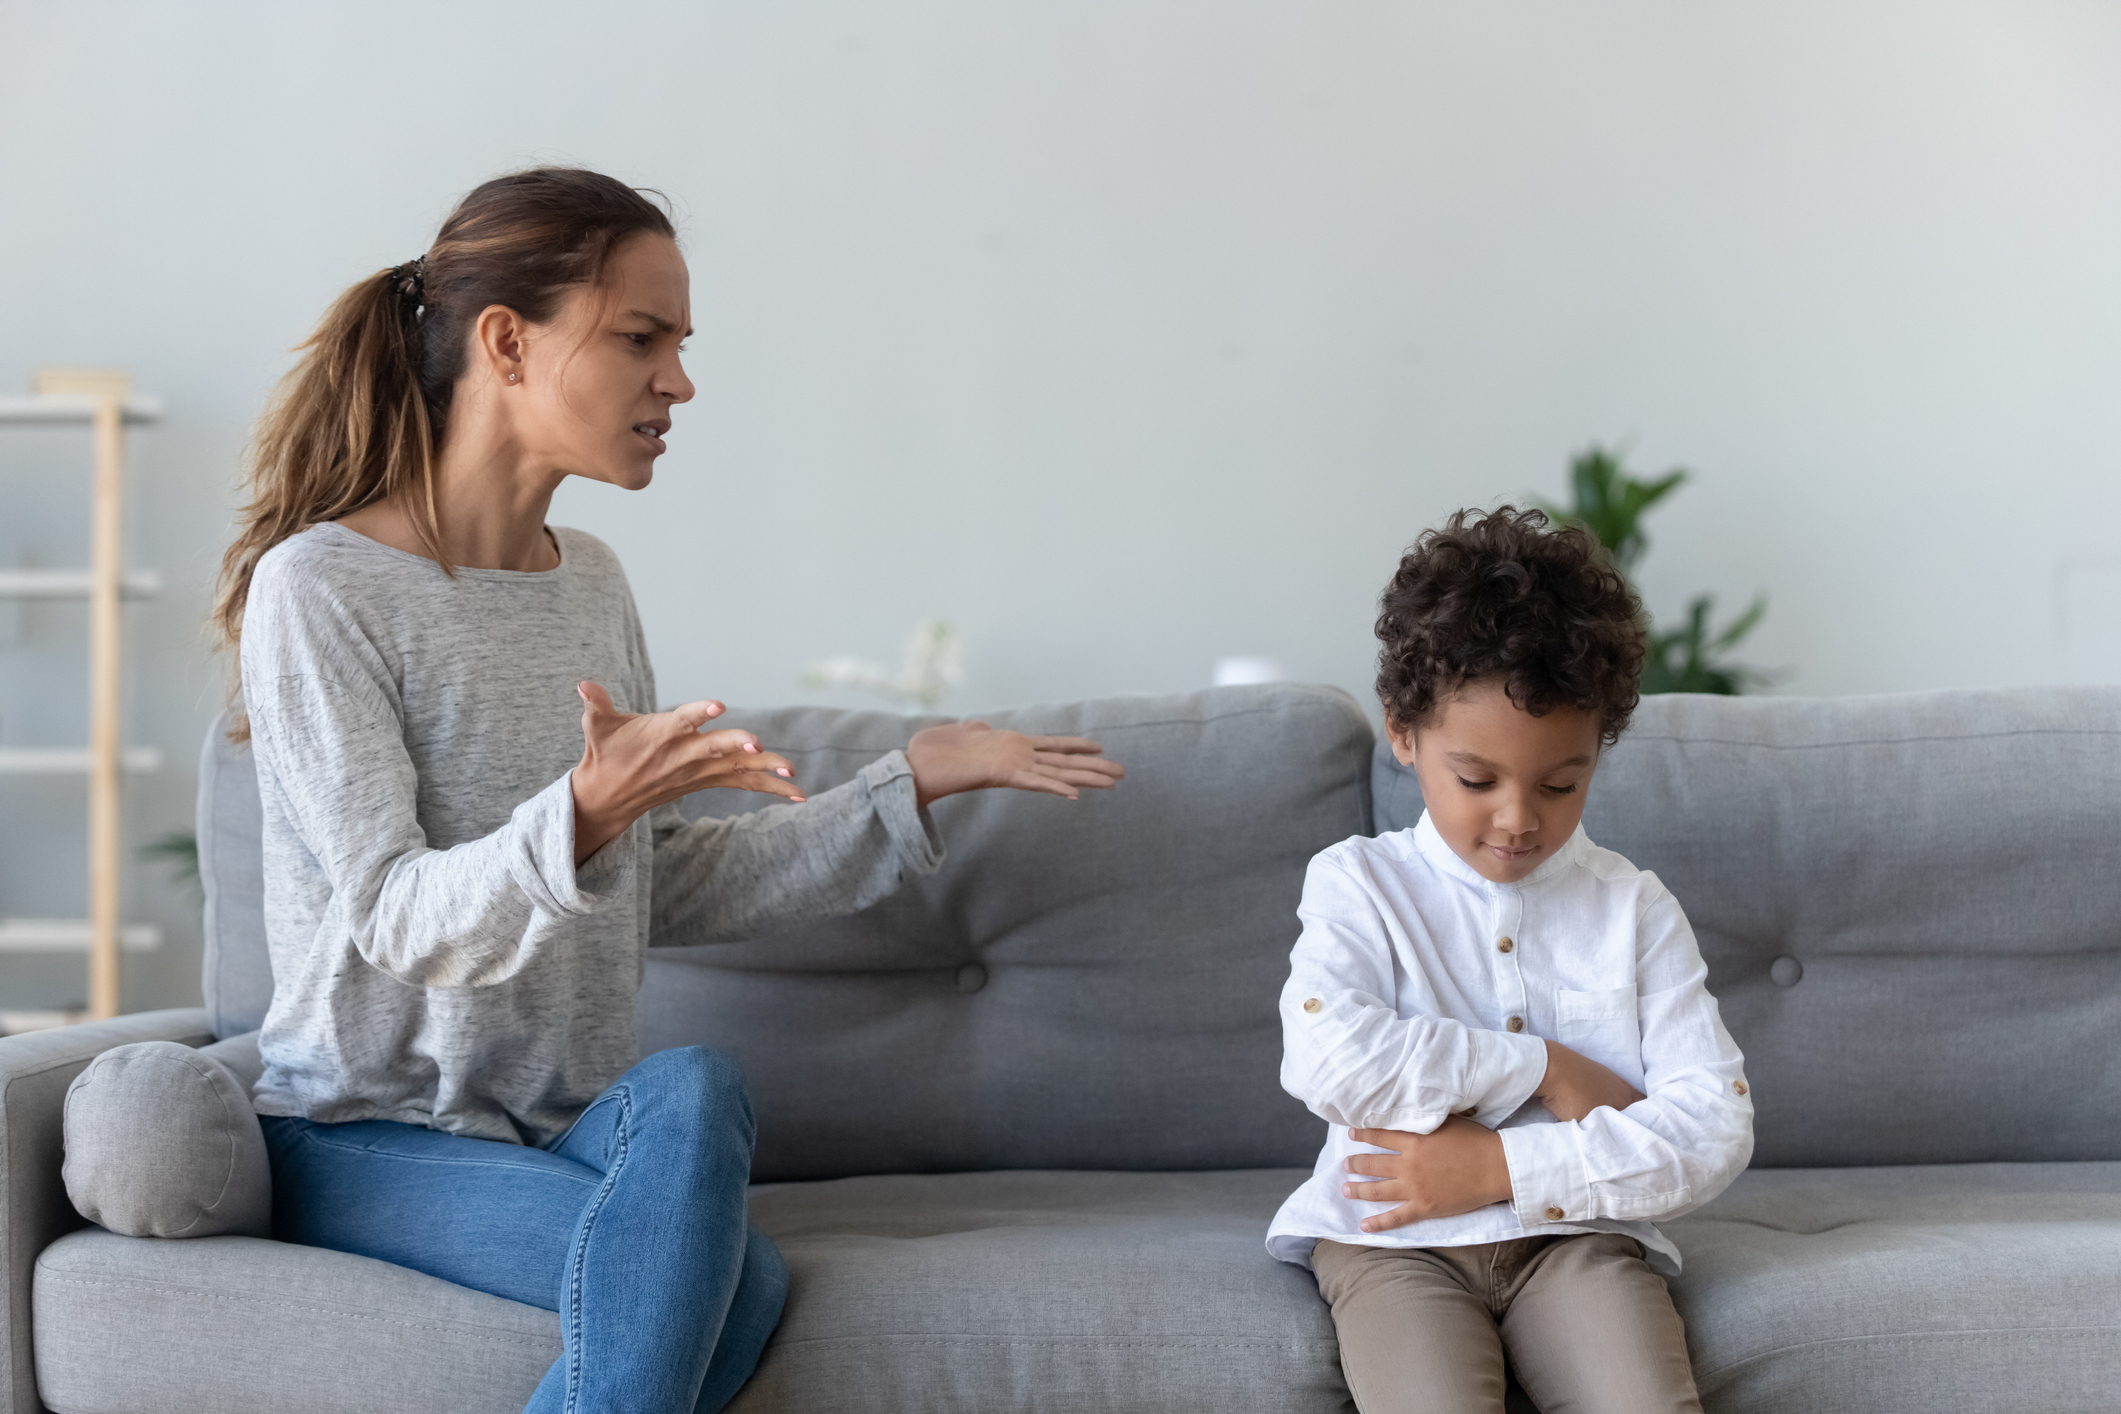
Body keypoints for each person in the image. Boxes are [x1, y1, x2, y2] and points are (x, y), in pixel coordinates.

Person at [210, 166, 1124, 1414]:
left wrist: (901, 788)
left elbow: (657, 882)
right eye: (642, 338)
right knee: (733, 1285)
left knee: (698, 1083)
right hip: (367, 1132)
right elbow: (394, 913)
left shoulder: (589, 581)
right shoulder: (320, 589)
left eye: (680, 345)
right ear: (506, 342)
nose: (679, 382)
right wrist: (580, 814)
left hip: (564, 1133)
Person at [1266, 506, 1753, 1414]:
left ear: (1598, 749)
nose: (1518, 818)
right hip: (1389, 1242)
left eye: (1560, 783)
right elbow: (1330, 1061)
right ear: (1403, 737)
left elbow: (1712, 1131)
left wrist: (1499, 1170)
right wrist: (1543, 1067)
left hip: (1580, 1242)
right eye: (1477, 780)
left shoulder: (1633, 908)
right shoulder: (1356, 884)